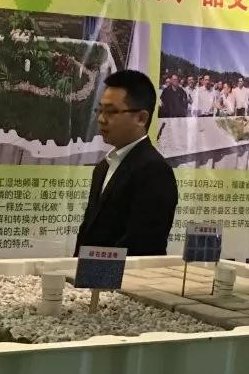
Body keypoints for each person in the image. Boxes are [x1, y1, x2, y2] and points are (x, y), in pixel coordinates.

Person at [74, 69, 178, 256]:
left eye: (110, 111)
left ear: (141, 118)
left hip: (125, 276)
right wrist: (75, 271)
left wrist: (93, 273)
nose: (101, 119)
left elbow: (142, 248)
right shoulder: (103, 167)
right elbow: (87, 234)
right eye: (100, 110)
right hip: (89, 274)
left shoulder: (155, 171)